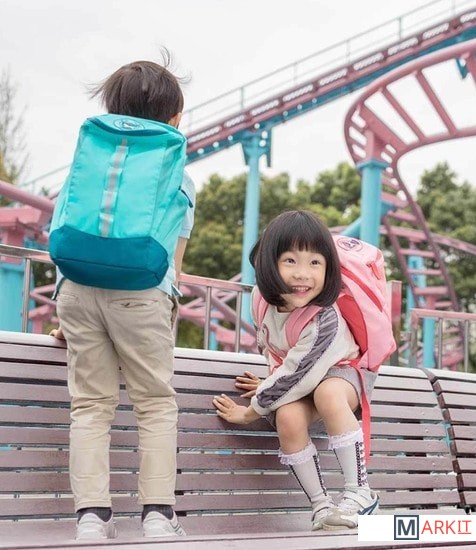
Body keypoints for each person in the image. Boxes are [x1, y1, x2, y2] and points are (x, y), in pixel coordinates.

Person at [49, 50, 195, 540]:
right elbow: (174, 264)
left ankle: (92, 519)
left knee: (91, 406)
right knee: (154, 404)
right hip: (142, 292)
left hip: (76, 290)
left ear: (112, 109)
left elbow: (65, 226)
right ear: (175, 118)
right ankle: (157, 516)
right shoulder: (178, 174)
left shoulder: (86, 165)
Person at [213, 210, 379, 531]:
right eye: (290, 260)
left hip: (343, 372)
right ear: (269, 262)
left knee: (329, 393)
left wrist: (250, 411)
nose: (303, 274)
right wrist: (270, 383)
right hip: (304, 378)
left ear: (329, 268)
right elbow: (275, 351)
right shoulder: (260, 299)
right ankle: (321, 506)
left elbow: (298, 372)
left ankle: (361, 493)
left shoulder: (324, 318)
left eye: (315, 262)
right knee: (288, 417)